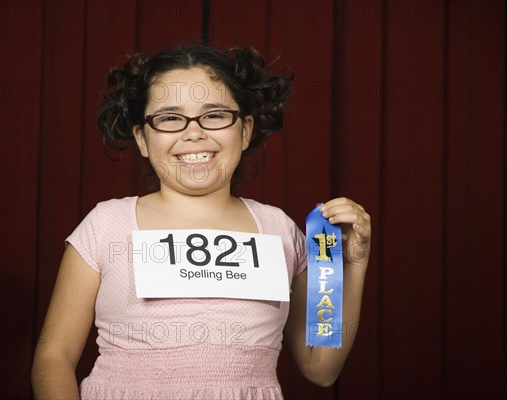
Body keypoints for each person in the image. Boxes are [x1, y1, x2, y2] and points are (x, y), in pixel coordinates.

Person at [31, 44, 371, 399]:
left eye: (215, 115)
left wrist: (352, 266)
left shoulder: (280, 230)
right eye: (169, 118)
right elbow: (54, 355)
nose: (194, 133)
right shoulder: (105, 225)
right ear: (141, 138)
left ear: (245, 129)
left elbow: (321, 367)